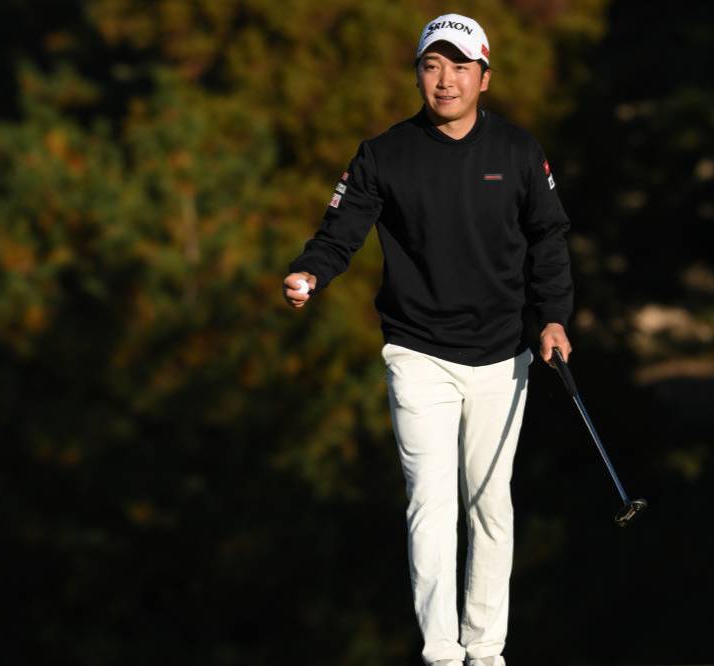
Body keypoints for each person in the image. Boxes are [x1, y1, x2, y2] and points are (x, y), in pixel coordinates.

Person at [283, 13, 573, 666]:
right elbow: (339, 233)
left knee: (490, 505)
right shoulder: (383, 155)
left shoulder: (518, 152)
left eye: (460, 67)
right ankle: (442, 654)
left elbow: (548, 238)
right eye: (432, 65)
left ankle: (486, 651)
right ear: (417, 74)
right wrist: (310, 274)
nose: (446, 80)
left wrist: (554, 317)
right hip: (418, 353)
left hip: (503, 355)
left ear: (484, 77)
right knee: (431, 503)